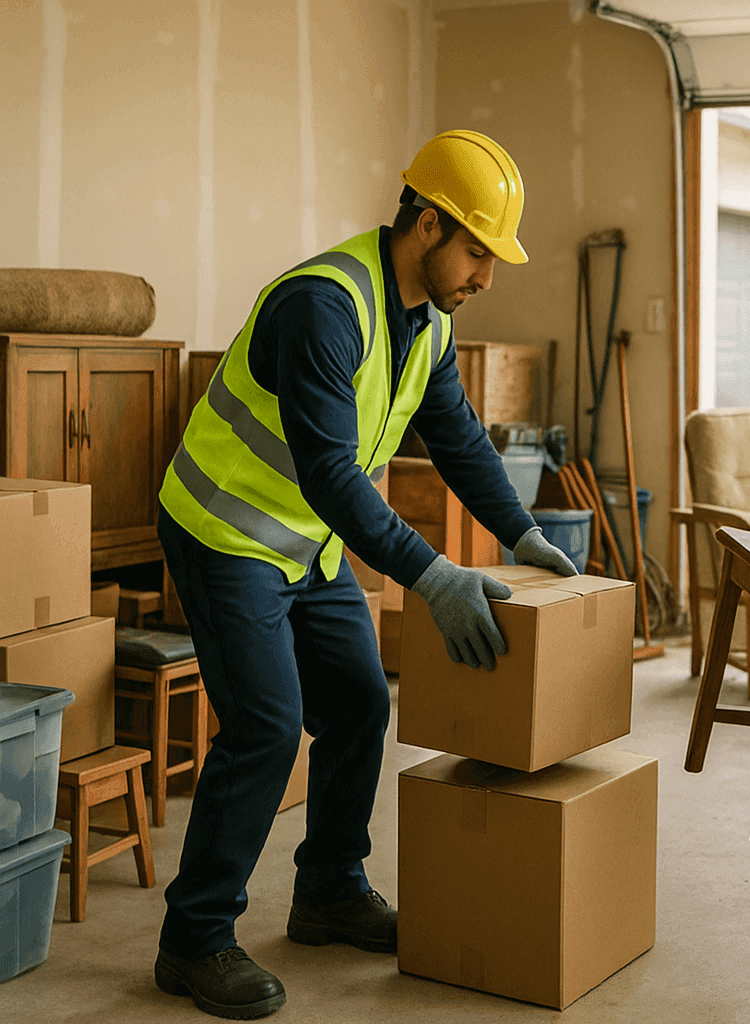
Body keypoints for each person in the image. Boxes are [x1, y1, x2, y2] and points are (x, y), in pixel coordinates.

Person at [152, 129, 577, 1020]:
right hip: (227, 533)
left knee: (358, 704)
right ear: (426, 225)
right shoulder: (326, 306)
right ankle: (193, 938)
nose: (486, 276)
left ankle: (329, 892)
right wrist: (433, 576)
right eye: (476, 251)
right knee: (267, 728)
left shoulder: (428, 319)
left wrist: (520, 532)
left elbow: (455, 433)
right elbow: (331, 472)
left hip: (307, 543)